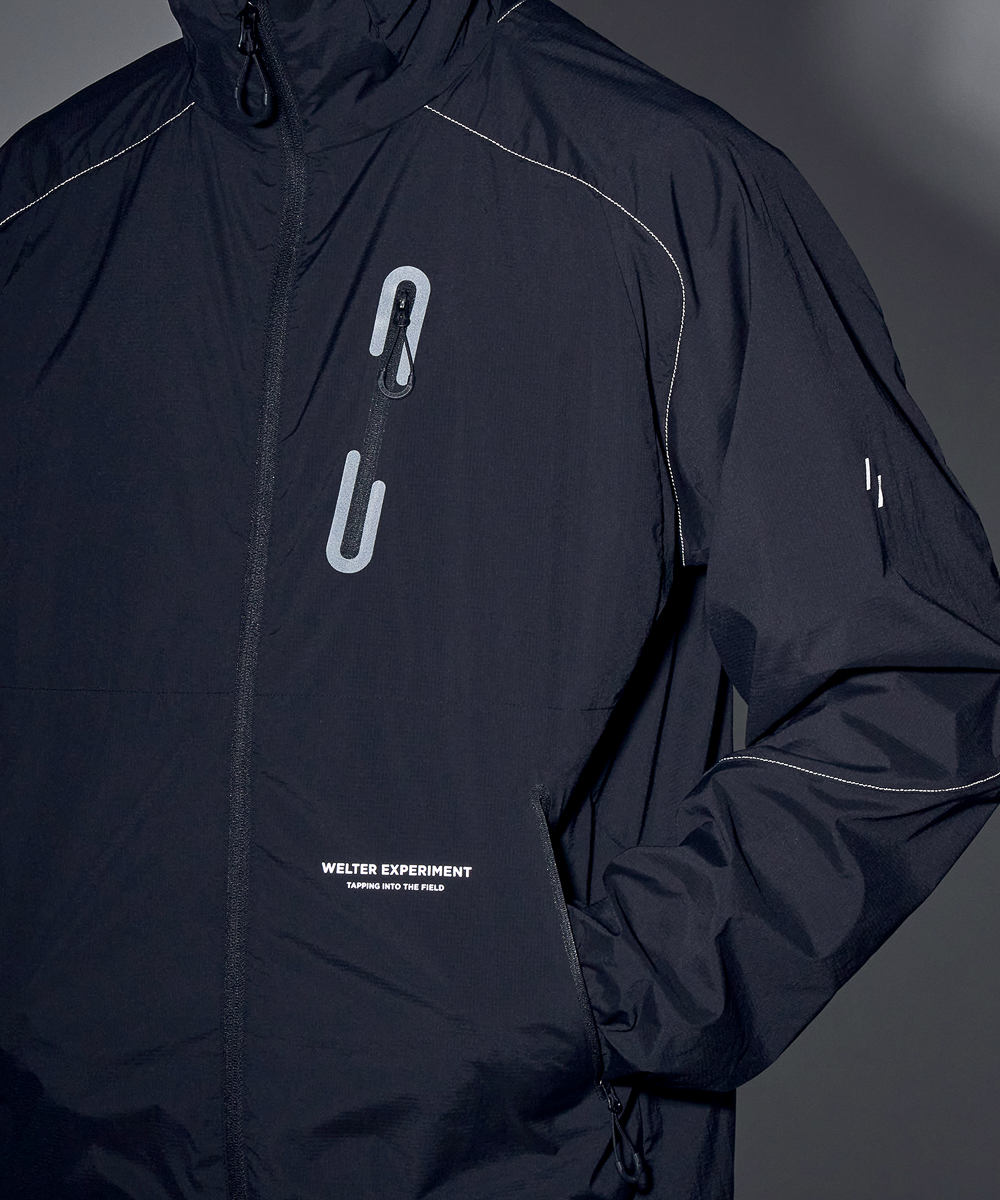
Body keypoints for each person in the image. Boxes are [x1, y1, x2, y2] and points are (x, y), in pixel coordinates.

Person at [2, 1, 998, 1197]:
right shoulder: (43, 206)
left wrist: (586, 991)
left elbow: (913, 676)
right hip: (70, 1156)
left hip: (513, 1161)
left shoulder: (659, 186)